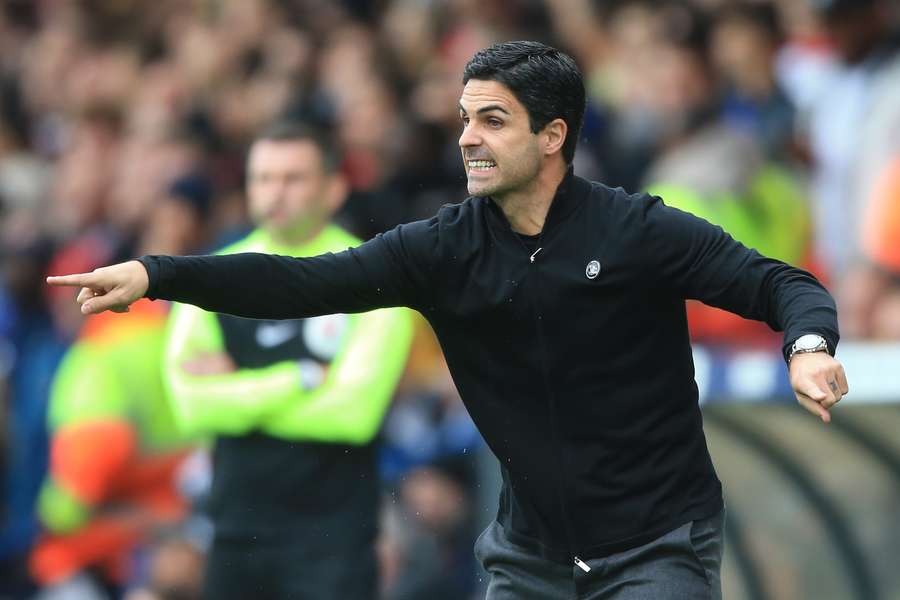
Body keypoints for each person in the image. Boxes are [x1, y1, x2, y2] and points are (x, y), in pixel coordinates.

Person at [48, 41, 849, 599]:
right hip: (529, 557)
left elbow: (778, 282)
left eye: (492, 121)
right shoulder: (443, 247)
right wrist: (157, 274)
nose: (467, 137)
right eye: (465, 119)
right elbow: (300, 283)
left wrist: (808, 347)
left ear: (554, 135)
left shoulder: (638, 230)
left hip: (656, 545)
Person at [160, 122, 414, 600]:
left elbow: (353, 416)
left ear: (333, 188)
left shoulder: (377, 279)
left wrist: (238, 385)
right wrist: (300, 377)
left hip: (334, 542)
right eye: (263, 178)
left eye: (293, 178)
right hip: (235, 536)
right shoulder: (210, 277)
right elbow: (191, 407)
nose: (276, 192)